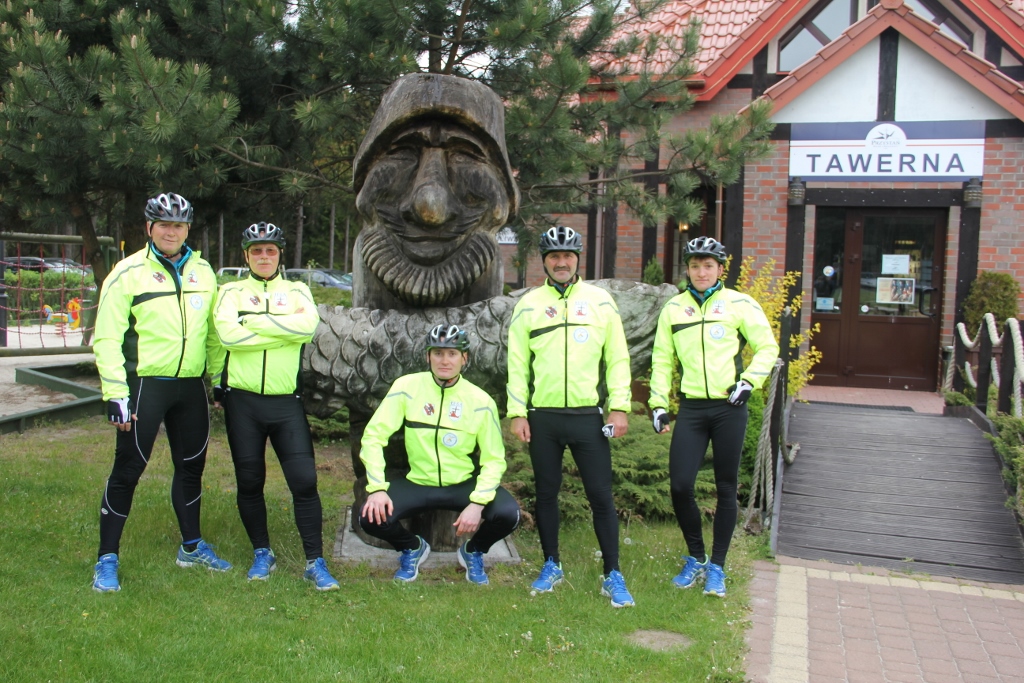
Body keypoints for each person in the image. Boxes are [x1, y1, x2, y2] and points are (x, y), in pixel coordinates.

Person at [91, 192, 228, 592]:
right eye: (164, 224)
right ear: (149, 228)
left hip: (190, 386)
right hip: (144, 385)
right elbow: (106, 337)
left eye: (179, 225)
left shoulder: (203, 271)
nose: (172, 232)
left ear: (188, 229)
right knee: (128, 470)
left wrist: (218, 378)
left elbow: (214, 333)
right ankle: (106, 559)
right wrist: (115, 393)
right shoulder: (127, 272)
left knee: (192, 467)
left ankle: (191, 547)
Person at [506, 226, 635, 608]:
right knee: (546, 494)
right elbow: (517, 364)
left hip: (587, 417)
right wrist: (517, 412)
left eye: (567, 256)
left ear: (578, 259)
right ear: (544, 261)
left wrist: (619, 406)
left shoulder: (600, 301)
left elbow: (618, 357)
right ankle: (551, 564)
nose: (561, 262)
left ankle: (613, 574)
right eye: (554, 256)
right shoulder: (528, 304)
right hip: (543, 417)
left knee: (601, 496)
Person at [649, 236, 779, 598]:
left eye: (708, 266)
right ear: (688, 270)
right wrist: (658, 403)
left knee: (725, 487)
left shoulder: (739, 303)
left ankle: (718, 567)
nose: (701, 272)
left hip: (728, 408)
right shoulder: (674, 309)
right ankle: (696, 557)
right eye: (695, 266)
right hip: (692, 408)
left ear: (721, 269)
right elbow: (662, 359)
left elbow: (767, 346)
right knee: (680, 485)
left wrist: (749, 381)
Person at [212, 222, 340, 591]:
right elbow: (228, 336)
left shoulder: (297, 290)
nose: (264, 256)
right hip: (243, 402)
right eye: (257, 250)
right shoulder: (231, 291)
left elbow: (307, 329)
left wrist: (252, 322)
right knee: (250, 481)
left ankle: (315, 562)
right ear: (246, 255)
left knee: (304, 481)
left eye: (270, 250)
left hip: (286, 402)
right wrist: (282, 330)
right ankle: (261, 552)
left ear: (280, 253)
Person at [359, 323, 520, 585]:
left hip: (462, 484)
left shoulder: (481, 401)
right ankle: (412, 547)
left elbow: (494, 460)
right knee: (369, 518)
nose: (445, 360)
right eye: (438, 353)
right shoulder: (406, 387)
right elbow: (373, 437)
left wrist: (478, 502)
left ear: (464, 358)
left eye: (452, 354)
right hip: (418, 482)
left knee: (509, 514)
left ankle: (474, 551)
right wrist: (376, 488)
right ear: (428, 357)